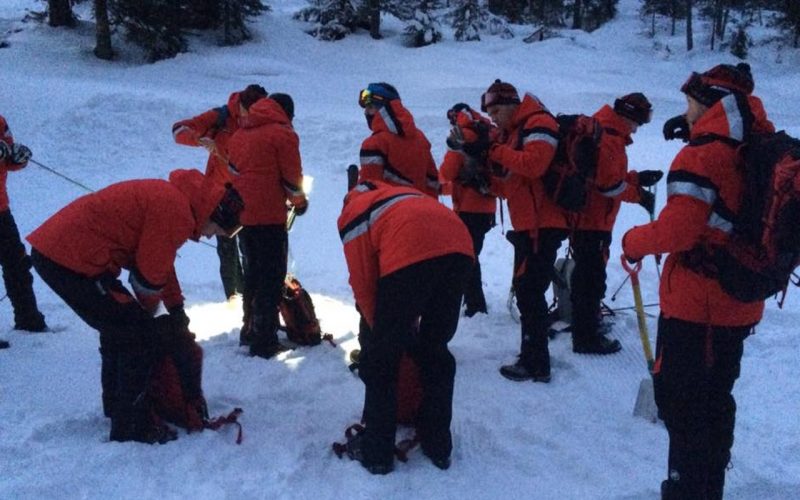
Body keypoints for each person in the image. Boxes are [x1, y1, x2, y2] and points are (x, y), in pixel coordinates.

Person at [622, 63, 774, 500]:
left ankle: (687, 489)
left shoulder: (703, 155)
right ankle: (708, 486)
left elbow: (678, 232)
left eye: (690, 103)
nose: (686, 111)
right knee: (715, 398)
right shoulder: (755, 146)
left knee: (683, 405)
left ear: (710, 104)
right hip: (739, 300)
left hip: (697, 306)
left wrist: (633, 242)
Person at [27, 168, 244, 444]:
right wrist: (162, 319)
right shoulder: (176, 211)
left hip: (68, 254)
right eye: (216, 230)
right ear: (213, 214)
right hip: (70, 259)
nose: (211, 236)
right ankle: (131, 425)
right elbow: (146, 282)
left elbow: (159, 265)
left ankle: (117, 407)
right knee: (137, 333)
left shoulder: (177, 202)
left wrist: (175, 309)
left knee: (120, 326)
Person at [338, 180, 474, 474]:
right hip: (460, 246)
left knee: (381, 359)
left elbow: (364, 285)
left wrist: (381, 335)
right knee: (435, 348)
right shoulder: (401, 195)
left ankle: (376, 452)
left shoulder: (354, 212)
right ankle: (438, 442)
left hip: (412, 249)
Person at [475, 80, 567, 383]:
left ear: (512, 104)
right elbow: (516, 184)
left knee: (530, 293)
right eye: (490, 114)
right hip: (530, 225)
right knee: (528, 291)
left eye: (496, 111)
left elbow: (534, 165)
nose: (493, 119)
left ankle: (536, 363)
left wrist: (494, 150)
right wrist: (489, 183)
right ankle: (533, 355)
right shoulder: (516, 132)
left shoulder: (539, 122)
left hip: (543, 225)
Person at [568, 93, 662, 354]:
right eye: (637, 123)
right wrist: (639, 195)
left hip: (591, 218)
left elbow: (607, 176)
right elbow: (608, 186)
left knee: (588, 274)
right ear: (627, 116)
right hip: (592, 220)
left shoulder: (604, 132)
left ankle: (586, 323)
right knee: (591, 278)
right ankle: (586, 336)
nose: (637, 129)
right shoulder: (609, 137)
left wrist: (636, 179)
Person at [227, 92, 308, 359]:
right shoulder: (283, 134)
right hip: (270, 216)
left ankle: (249, 329)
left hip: (244, 216)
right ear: (286, 112)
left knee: (252, 273)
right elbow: (292, 178)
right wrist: (299, 202)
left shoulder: (240, 133)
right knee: (271, 277)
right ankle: (265, 339)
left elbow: (233, 172)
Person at [172, 84, 267, 303]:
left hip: (248, 193)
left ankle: (250, 295)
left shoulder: (263, 120)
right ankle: (233, 296)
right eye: (249, 112)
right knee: (226, 247)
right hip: (219, 194)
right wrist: (198, 139)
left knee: (250, 245)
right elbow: (178, 130)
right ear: (241, 105)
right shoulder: (221, 118)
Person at [438, 103, 498, 317]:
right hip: (486, 206)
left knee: (466, 257)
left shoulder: (461, 135)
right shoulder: (486, 134)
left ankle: (475, 304)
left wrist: (438, 182)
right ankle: (474, 302)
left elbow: (448, 171)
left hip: (468, 209)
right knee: (471, 254)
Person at [0, 114, 48, 334]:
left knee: (17, 263)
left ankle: (28, 320)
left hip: (1, 208)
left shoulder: (0, 122)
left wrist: (17, 158)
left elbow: (7, 157)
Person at [357, 82, 440, 197]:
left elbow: (369, 192)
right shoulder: (420, 138)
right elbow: (432, 183)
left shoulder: (374, 144)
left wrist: (352, 196)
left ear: (384, 109)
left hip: (389, 207)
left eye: (370, 107)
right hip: (421, 205)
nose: (366, 112)